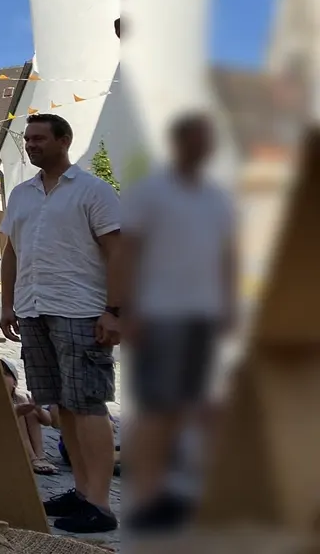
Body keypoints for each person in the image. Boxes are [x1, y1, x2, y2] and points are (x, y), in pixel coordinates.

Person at [0, 113, 123, 534]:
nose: (30, 145)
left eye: (38, 138)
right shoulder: (20, 194)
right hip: (34, 309)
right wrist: (8, 305)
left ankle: (101, 504)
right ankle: (83, 492)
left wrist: (115, 310)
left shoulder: (93, 191)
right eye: (27, 139)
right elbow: (12, 251)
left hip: (82, 310)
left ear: (63, 140)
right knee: (61, 403)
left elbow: (117, 253)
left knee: (87, 405)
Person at [118, 113, 236, 532]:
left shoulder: (217, 198)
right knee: (158, 409)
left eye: (209, 141)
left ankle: (191, 495)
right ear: (181, 142)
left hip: (203, 315)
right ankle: (149, 498)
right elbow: (127, 250)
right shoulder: (150, 192)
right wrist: (126, 309)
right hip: (159, 314)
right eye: (198, 140)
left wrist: (229, 304)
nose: (204, 148)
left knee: (198, 406)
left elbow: (226, 253)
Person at [3, 359, 58, 475]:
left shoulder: (19, 398)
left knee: (30, 411)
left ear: (15, 383)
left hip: (22, 443)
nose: (2, 377)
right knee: (19, 414)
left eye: (6, 374)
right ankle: (32, 458)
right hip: (8, 442)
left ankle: (40, 456)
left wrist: (38, 409)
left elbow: (48, 421)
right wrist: (16, 411)